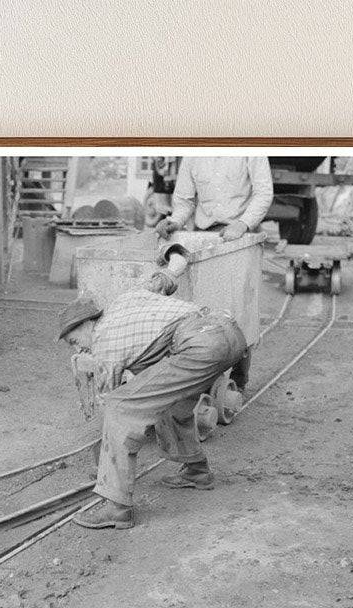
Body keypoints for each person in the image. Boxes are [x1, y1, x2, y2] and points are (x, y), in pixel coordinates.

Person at [58, 260, 248, 530]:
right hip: (229, 332)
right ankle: (196, 471)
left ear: (88, 324)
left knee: (119, 408)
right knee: (173, 403)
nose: (79, 349)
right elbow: (163, 281)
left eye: (75, 342)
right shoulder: (128, 298)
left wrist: (105, 458)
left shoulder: (103, 340)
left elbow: (111, 401)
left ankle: (117, 507)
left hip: (198, 345)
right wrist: (175, 264)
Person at [156, 155, 273, 241]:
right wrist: (176, 221)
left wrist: (243, 224)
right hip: (204, 235)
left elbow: (263, 193)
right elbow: (184, 200)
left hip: (244, 236)